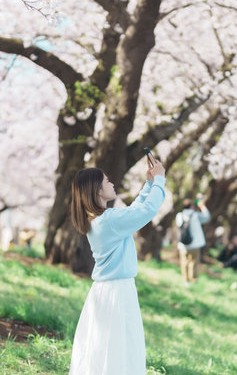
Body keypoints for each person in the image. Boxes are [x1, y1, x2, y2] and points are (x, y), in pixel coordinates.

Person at [69, 155, 166, 375]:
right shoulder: (109, 221)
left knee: (104, 350)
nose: (111, 183)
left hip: (105, 291)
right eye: (106, 181)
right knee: (121, 350)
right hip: (117, 292)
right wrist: (159, 180)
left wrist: (150, 183)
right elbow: (146, 212)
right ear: (96, 190)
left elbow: (133, 211)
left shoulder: (100, 220)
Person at [176, 198, 211, 285]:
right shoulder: (195, 215)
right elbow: (207, 217)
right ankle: (193, 280)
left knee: (184, 263)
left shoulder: (179, 216)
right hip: (194, 244)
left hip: (182, 244)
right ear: (191, 207)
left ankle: (185, 281)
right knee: (193, 263)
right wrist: (202, 206)